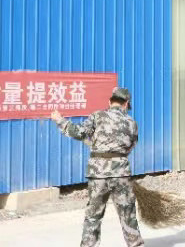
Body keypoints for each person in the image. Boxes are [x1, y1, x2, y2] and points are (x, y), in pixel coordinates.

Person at [51, 87, 144, 247]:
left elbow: (79, 132)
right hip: (120, 175)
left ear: (109, 102)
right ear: (126, 103)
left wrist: (60, 120)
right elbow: (130, 146)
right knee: (128, 216)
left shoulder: (97, 116)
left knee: (93, 216)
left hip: (98, 176)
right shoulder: (131, 123)